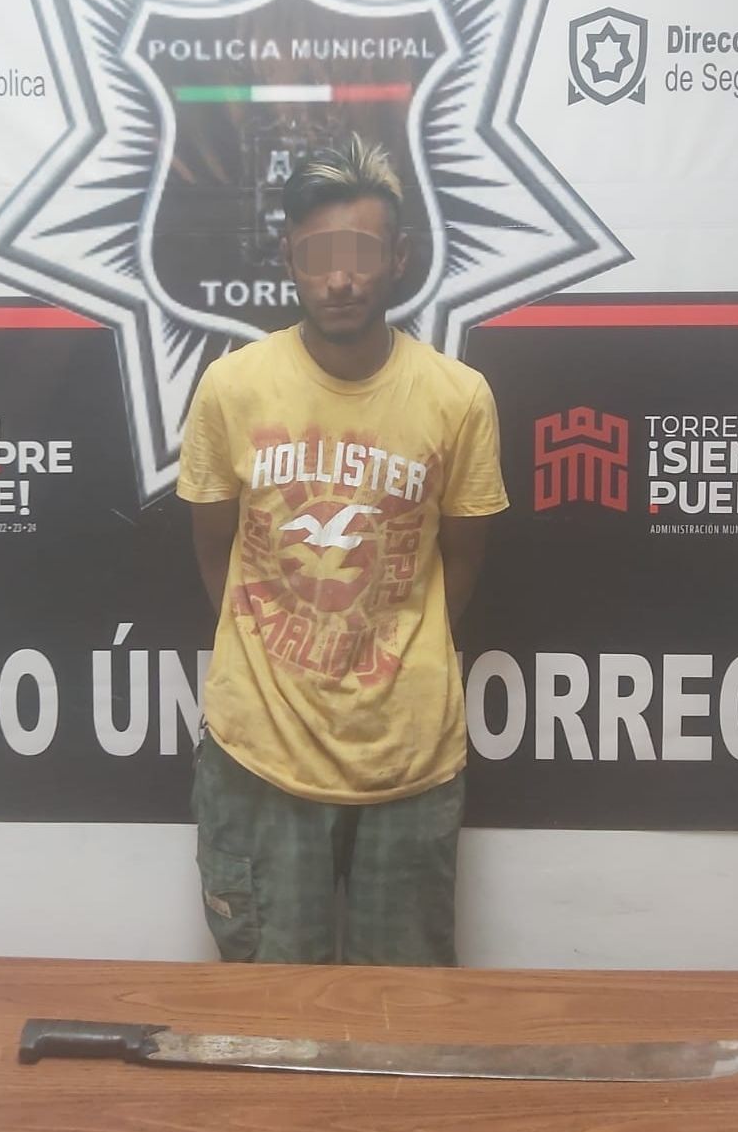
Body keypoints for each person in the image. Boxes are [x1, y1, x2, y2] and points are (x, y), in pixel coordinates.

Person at [176, 134, 508, 966]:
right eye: (321, 256)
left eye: (361, 255)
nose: (341, 278)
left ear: (399, 258)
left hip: (409, 756)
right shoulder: (232, 388)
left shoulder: (459, 398)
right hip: (260, 754)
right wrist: (280, 648)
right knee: (267, 1011)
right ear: (291, 256)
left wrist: (389, 648)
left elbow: (462, 561)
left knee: (406, 1013)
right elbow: (215, 551)